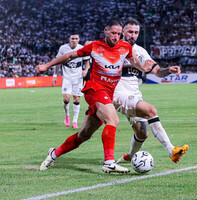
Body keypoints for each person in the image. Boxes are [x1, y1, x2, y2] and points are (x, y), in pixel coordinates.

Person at [36, 18, 153, 174]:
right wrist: (47, 66)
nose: (116, 37)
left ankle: (54, 154)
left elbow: (134, 61)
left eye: (118, 34)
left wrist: (144, 68)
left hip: (107, 94)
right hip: (95, 90)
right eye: (113, 33)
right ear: (106, 31)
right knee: (113, 120)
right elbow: (70, 56)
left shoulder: (125, 47)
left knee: (84, 135)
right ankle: (109, 162)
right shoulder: (95, 47)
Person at [113, 17, 189, 164]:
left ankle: (129, 157)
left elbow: (158, 72)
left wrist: (169, 70)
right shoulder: (115, 48)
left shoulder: (141, 51)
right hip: (119, 92)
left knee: (142, 132)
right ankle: (171, 150)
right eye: (130, 32)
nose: (133, 35)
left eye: (136, 32)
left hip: (134, 93)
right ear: (122, 32)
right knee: (151, 111)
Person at [52, 34, 90, 129]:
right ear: (69, 39)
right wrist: (55, 75)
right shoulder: (63, 48)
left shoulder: (82, 48)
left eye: (76, 39)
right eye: (72, 38)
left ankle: (75, 121)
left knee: (76, 99)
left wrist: (85, 70)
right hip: (67, 77)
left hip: (78, 78)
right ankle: (67, 115)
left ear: (79, 39)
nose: (74, 40)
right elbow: (57, 62)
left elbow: (87, 62)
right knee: (66, 98)